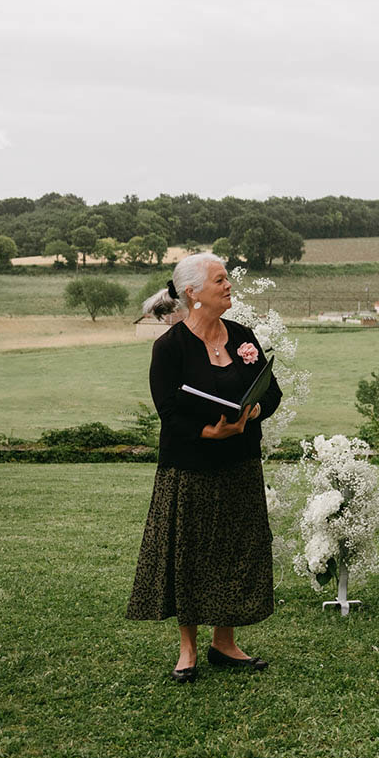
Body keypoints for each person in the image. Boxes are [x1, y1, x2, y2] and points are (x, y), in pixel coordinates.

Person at [127, 252, 282, 682]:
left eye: (227, 278)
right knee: (189, 556)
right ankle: (188, 649)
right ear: (193, 293)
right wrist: (207, 433)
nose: (229, 285)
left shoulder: (242, 336)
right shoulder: (170, 347)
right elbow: (170, 413)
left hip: (240, 465)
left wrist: (251, 414)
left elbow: (271, 393)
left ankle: (225, 643)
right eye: (220, 280)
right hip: (190, 468)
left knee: (235, 552)